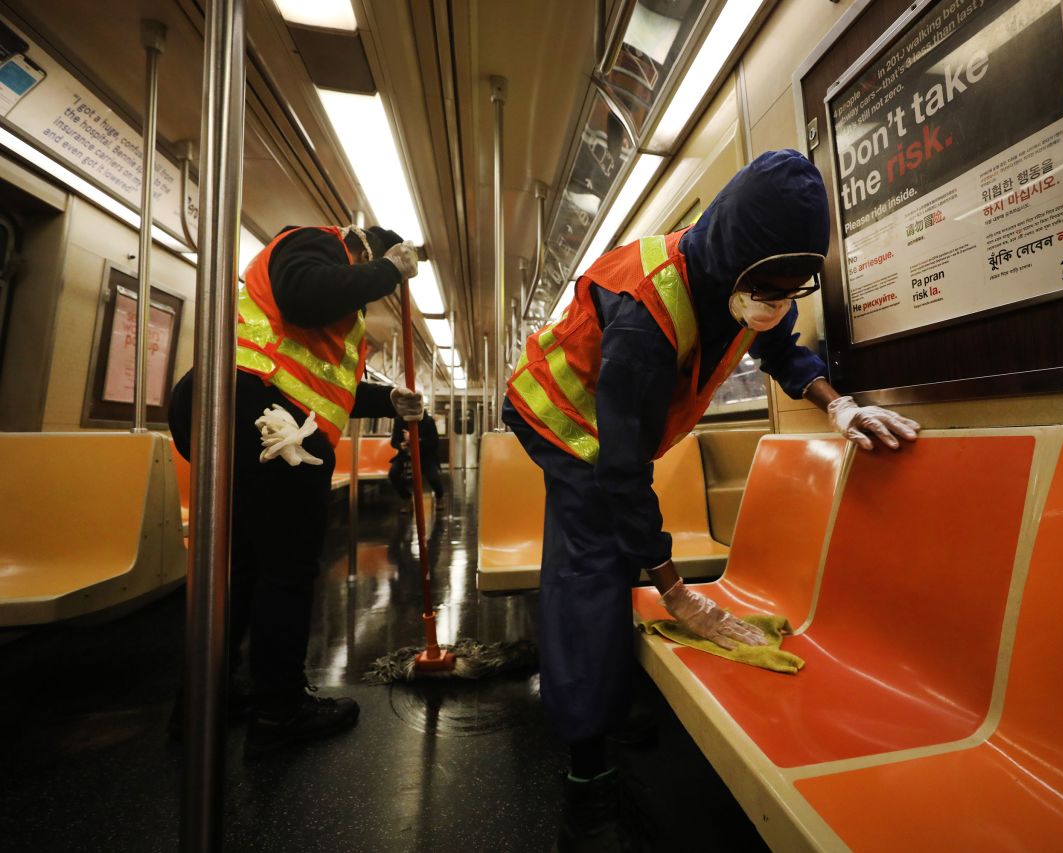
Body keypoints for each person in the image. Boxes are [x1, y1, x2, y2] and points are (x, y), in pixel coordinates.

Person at [502, 149, 920, 850]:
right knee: (591, 562)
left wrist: (838, 405)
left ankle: (610, 690)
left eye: (793, 286)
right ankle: (587, 776)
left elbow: (781, 346)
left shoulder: (748, 278)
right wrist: (675, 588)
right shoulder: (643, 317)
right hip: (562, 416)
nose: (775, 297)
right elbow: (623, 468)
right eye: (767, 284)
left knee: (617, 546)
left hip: (615, 426)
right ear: (733, 256)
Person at [168, 223, 424, 760]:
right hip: (264, 417)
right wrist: (387, 270)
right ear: (361, 248)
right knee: (286, 568)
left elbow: (320, 382)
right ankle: (279, 709)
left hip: (243, 408)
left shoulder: (332, 307)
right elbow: (304, 296)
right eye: (371, 270)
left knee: (243, 568)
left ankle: (206, 697)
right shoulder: (317, 243)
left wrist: (389, 400)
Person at [389, 412, 445, 503]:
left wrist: (415, 439)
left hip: (425, 455)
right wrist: (400, 445)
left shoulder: (428, 421)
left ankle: (439, 496)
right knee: (393, 474)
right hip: (405, 454)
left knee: (433, 478)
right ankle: (406, 498)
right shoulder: (399, 420)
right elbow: (394, 441)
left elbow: (434, 442)